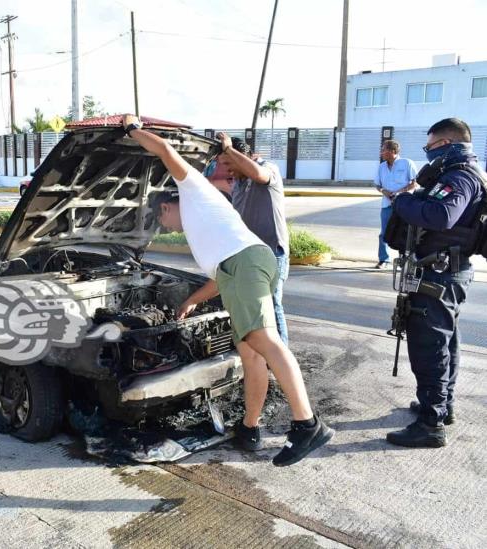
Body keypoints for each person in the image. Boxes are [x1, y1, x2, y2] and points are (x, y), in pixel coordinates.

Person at [122, 114, 333, 466]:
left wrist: (132, 129)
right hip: (241, 267)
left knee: (266, 341)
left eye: (161, 220)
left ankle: (306, 424)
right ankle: (249, 426)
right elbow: (223, 275)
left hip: (248, 263)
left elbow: (163, 149)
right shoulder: (203, 214)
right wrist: (191, 300)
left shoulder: (191, 188)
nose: (165, 228)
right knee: (251, 353)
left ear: (165, 206)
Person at [386, 118, 484, 448]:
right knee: (445, 342)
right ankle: (442, 406)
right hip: (446, 272)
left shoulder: (459, 177)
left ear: (445, 145)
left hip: (439, 275)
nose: (427, 154)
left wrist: (402, 200)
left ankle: (431, 424)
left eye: (429, 147)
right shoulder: (464, 174)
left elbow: (442, 216)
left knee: (429, 346)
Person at [214, 133, 290, 345]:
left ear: (241, 157)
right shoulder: (237, 182)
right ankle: (257, 357)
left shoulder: (269, 169)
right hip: (248, 256)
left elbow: (259, 175)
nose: (227, 170)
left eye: (229, 163)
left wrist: (229, 149)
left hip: (273, 253)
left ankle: (279, 364)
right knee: (250, 309)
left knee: (272, 307)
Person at [373, 140, 417, 269]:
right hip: (387, 204)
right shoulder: (381, 166)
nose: (381, 152)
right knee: (384, 233)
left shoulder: (407, 163)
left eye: (383, 150)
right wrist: (383, 191)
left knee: (404, 232)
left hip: (403, 204)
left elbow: (415, 182)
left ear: (393, 151)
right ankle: (383, 259)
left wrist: (399, 193)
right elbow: (377, 184)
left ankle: (403, 260)